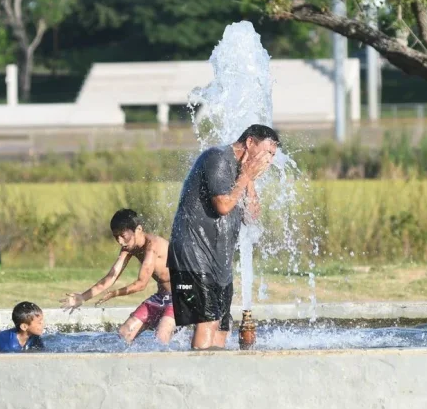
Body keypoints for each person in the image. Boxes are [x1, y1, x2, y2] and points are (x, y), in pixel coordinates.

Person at [168, 124, 279, 350]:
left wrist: (250, 181)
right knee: (208, 320)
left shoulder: (243, 173)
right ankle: (198, 379)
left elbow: (251, 216)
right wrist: (246, 175)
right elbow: (223, 205)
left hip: (218, 259)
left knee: (222, 326)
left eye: (273, 156)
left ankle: (214, 378)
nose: (269, 160)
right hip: (192, 255)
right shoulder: (217, 158)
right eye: (267, 152)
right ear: (250, 143)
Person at [61, 209, 176, 345]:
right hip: (162, 296)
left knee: (161, 339)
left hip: (183, 295)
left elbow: (141, 284)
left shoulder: (153, 246)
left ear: (138, 229)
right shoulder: (128, 247)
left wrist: (115, 293)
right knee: (124, 334)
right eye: (116, 237)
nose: (120, 242)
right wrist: (82, 297)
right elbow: (111, 277)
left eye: (123, 236)